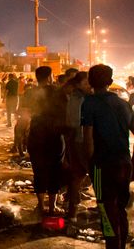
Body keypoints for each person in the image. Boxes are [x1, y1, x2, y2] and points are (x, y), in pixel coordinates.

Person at [82, 64, 134, 249]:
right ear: (111, 82)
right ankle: (120, 245)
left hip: (102, 165)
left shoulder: (89, 103)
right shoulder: (123, 104)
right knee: (120, 208)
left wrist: (89, 164)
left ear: (90, 82)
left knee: (105, 208)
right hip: (124, 163)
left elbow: (88, 137)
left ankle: (112, 245)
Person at [25, 66, 64, 217]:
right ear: (49, 77)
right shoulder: (57, 92)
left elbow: (24, 114)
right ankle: (52, 206)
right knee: (55, 169)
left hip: (36, 135)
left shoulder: (30, 92)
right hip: (54, 134)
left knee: (38, 170)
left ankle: (41, 205)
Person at [63, 71, 90, 222]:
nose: (89, 86)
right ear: (78, 84)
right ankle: (72, 212)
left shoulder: (81, 97)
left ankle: (72, 212)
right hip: (82, 143)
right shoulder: (78, 99)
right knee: (85, 176)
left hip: (81, 142)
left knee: (78, 177)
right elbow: (74, 123)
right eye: (85, 83)